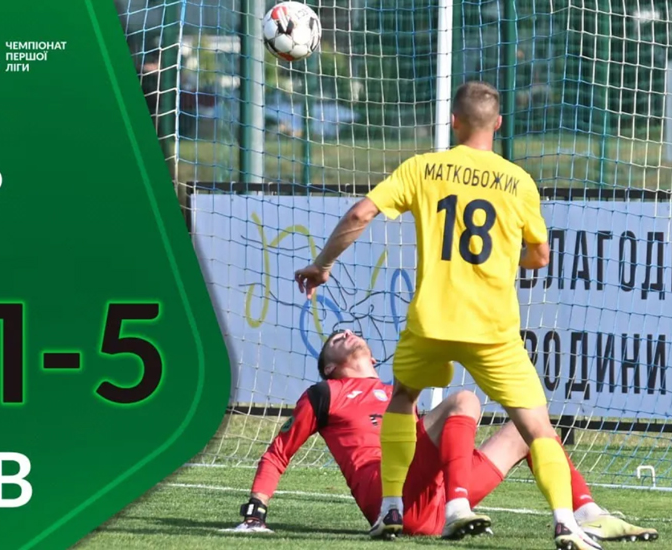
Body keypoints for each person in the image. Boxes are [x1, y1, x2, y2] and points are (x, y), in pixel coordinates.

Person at [292, 80, 599, 549]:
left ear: (453, 121)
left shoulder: (423, 168)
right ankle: (564, 522)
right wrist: (502, 257)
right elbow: (539, 256)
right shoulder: (518, 181)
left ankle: (390, 507)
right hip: (492, 329)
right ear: (498, 124)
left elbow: (360, 214)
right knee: (536, 425)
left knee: (402, 398)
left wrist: (323, 264)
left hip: (431, 323)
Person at [230, 329, 659, 544]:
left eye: (349, 332)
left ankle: (588, 512)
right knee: (464, 400)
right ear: (328, 366)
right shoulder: (325, 393)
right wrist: (255, 512)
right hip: (390, 498)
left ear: (373, 356)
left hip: (429, 497)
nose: (345, 333)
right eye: (334, 339)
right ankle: (459, 506)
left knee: (530, 426)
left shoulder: (396, 392)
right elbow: (278, 452)